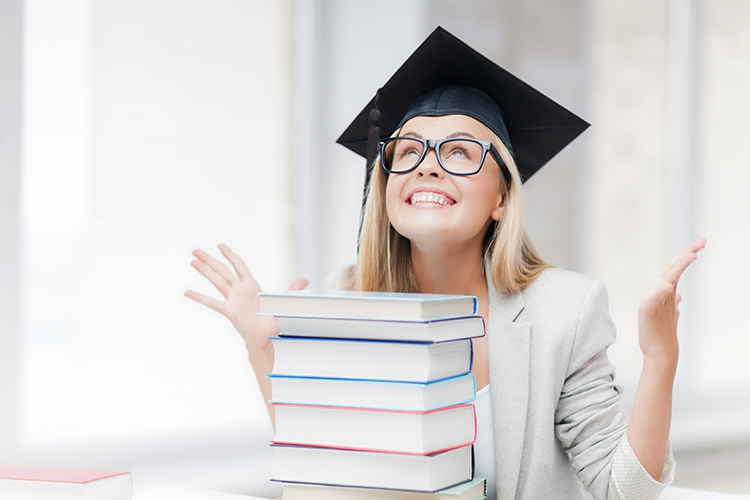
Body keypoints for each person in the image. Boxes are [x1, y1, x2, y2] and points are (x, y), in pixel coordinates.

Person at [185, 27, 705, 500]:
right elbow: (330, 470)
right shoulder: (350, 299)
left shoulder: (564, 313)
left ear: (502, 196)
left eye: (459, 153)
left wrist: (661, 359)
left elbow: (626, 491)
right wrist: (262, 349)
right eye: (408, 150)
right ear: (385, 184)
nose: (428, 166)